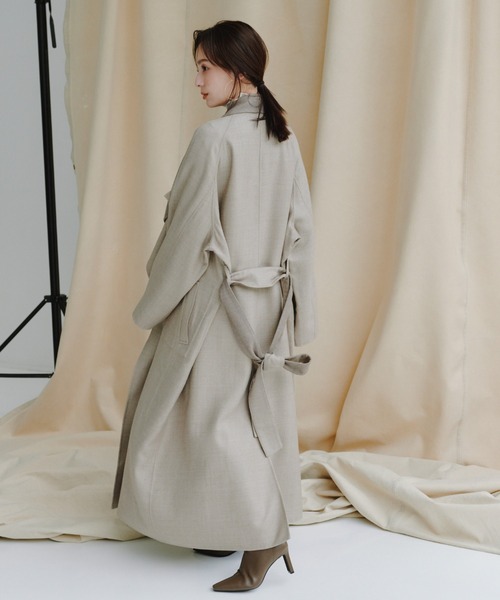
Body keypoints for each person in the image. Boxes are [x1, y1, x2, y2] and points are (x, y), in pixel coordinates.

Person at [112, 20, 316, 592]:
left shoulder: (213, 139)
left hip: (218, 308)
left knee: (205, 419)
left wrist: (153, 304)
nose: (198, 81)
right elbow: (302, 233)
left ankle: (257, 535)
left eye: (205, 68)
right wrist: (300, 316)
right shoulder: (284, 138)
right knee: (252, 420)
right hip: (269, 307)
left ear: (238, 71)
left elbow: (186, 238)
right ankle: (243, 526)